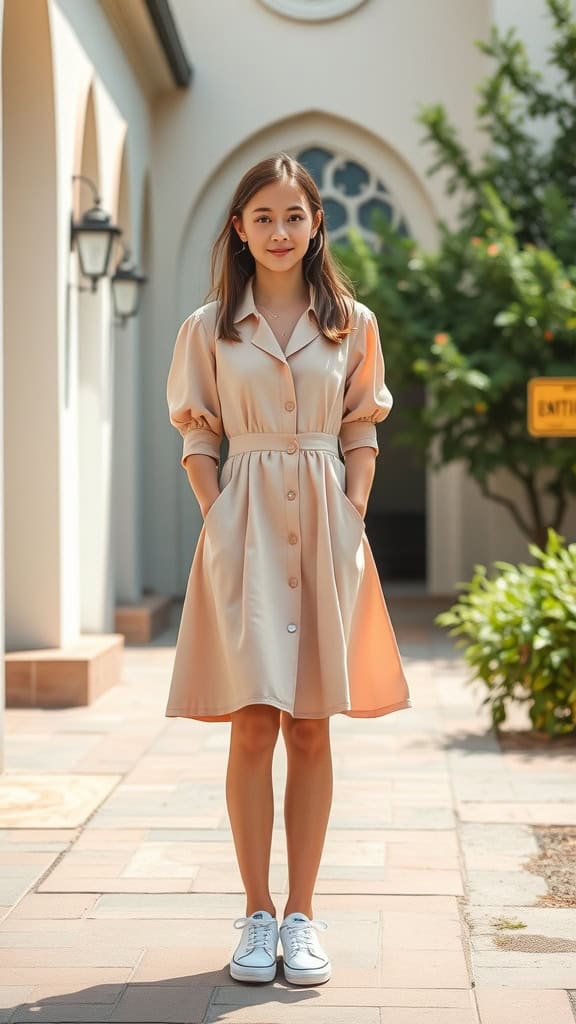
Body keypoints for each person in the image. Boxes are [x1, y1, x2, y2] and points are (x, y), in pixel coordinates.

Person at [165, 152, 412, 987]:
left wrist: (352, 509)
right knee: (254, 722)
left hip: (326, 526)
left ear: (316, 227)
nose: (279, 231)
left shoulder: (353, 322)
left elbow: (362, 425)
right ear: (239, 228)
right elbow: (198, 431)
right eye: (262, 217)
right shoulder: (208, 326)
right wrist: (218, 513)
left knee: (312, 723)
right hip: (245, 530)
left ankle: (303, 914)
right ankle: (256, 915)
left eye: (294, 217)